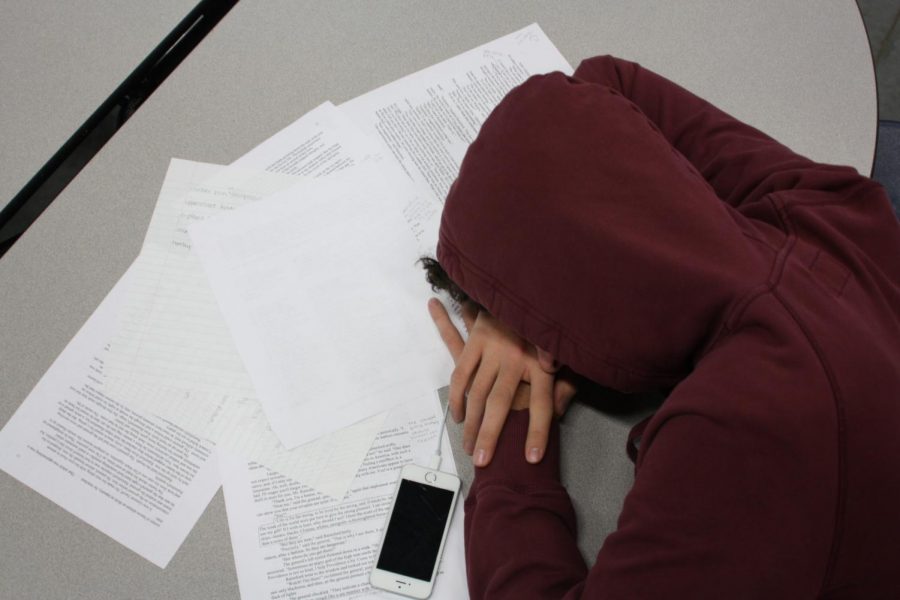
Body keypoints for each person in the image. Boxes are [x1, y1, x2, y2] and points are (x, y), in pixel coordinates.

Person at [422, 56, 900, 598]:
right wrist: (512, 311)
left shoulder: (742, 432)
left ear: (552, 353)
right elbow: (606, 82)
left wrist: (509, 438)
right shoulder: (827, 213)